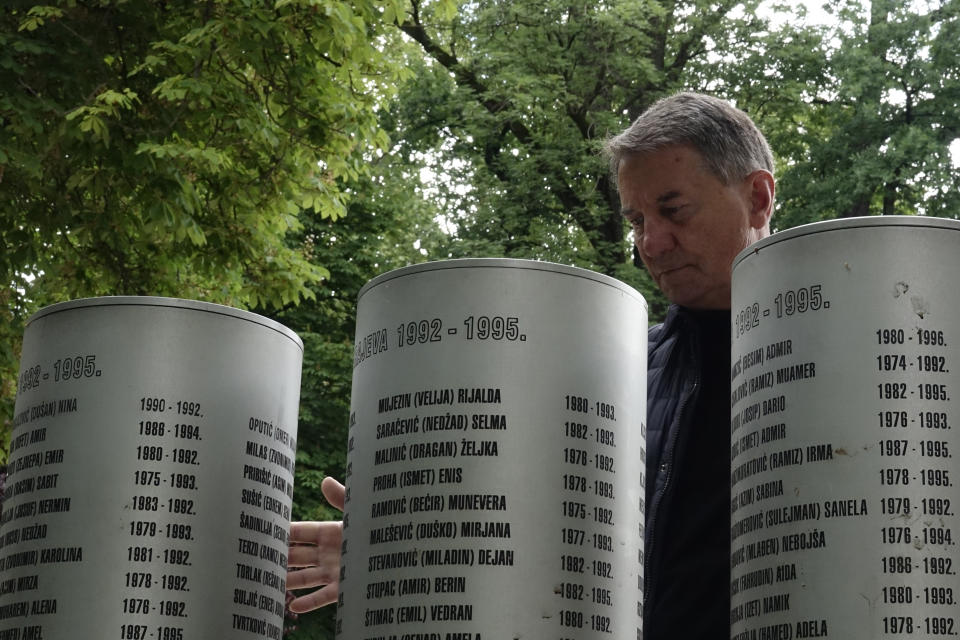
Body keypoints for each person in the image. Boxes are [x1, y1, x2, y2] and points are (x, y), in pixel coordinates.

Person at [285, 92, 776, 638]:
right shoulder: (616, 375)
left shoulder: (829, 357)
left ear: (757, 198)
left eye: (673, 210)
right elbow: (547, 542)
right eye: (636, 219)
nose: (651, 244)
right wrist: (403, 548)